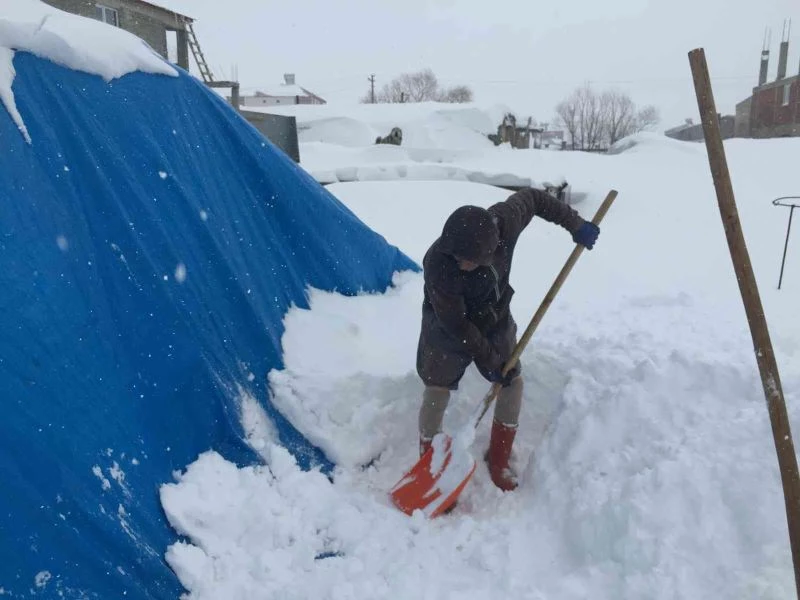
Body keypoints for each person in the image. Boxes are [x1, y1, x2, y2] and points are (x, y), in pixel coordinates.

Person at [415, 186, 600, 491]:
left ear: (488, 252)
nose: (460, 263)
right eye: (456, 257)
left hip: (493, 316)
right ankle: (429, 462)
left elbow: (534, 198)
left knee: (511, 380)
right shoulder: (439, 264)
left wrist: (575, 224)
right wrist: (488, 359)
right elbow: (458, 327)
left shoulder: (505, 221)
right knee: (437, 385)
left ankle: (498, 458)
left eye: (467, 260)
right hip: (446, 324)